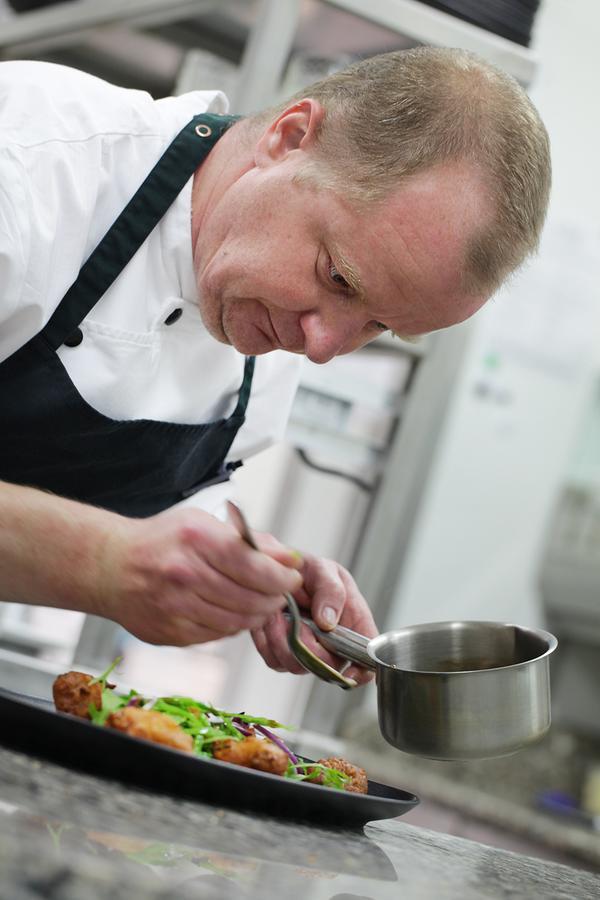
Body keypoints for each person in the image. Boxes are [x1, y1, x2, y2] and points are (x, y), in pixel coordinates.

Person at [0, 47, 550, 682]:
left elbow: (162, 514)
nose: (322, 348)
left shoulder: (271, 327)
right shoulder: (31, 165)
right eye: (339, 278)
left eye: (378, 326)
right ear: (289, 137)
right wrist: (101, 563)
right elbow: (113, 550)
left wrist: (257, 582)